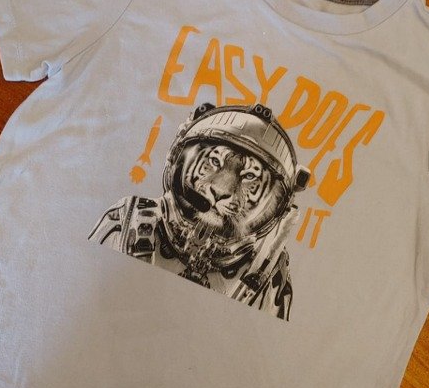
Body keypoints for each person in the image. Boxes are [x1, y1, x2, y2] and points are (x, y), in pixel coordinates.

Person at [88, 102, 310, 321]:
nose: (221, 189)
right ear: (178, 157)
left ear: (277, 204)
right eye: (214, 161)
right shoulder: (128, 220)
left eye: (249, 176)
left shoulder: (268, 270)